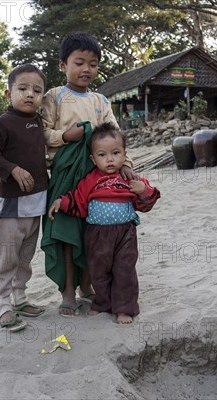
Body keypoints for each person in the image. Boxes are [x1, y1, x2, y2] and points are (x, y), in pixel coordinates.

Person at [40, 32, 137, 317]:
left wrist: (127, 163)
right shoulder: (54, 97)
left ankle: (87, 286)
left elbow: (115, 136)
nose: (86, 69)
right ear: (62, 65)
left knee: (92, 234)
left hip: (98, 177)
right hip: (65, 176)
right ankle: (68, 292)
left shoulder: (100, 101)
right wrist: (65, 136)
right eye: (79, 62)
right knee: (67, 233)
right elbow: (42, 134)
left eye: (93, 64)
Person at [48, 123, 160, 324]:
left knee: (124, 270)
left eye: (115, 153)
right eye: (102, 155)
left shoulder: (129, 179)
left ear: (125, 155)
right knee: (98, 270)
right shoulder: (90, 180)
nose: (109, 159)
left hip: (125, 233)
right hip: (97, 234)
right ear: (93, 159)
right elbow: (78, 201)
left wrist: (143, 189)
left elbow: (147, 203)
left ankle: (124, 308)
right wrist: (62, 202)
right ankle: (102, 303)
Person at [0, 64, 49, 332]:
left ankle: (20, 298)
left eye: (36, 90)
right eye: (22, 89)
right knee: (7, 256)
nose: (29, 94)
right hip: (11, 204)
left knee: (26, 255)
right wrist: (12, 169)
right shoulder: (3, 122)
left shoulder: (40, 121)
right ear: (8, 92)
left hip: (37, 202)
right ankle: (3, 305)